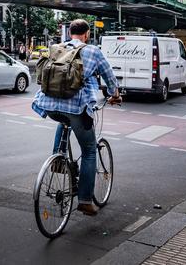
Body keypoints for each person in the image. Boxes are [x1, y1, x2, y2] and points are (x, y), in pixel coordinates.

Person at [31, 19, 121, 217]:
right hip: (77, 107)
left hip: (49, 105)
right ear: (87, 34)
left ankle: (58, 158)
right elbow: (109, 76)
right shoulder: (93, 51)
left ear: (69, 33)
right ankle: (85, 201)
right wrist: (115, 94)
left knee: (64, 120)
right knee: (89, 151)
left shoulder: (56, 48)